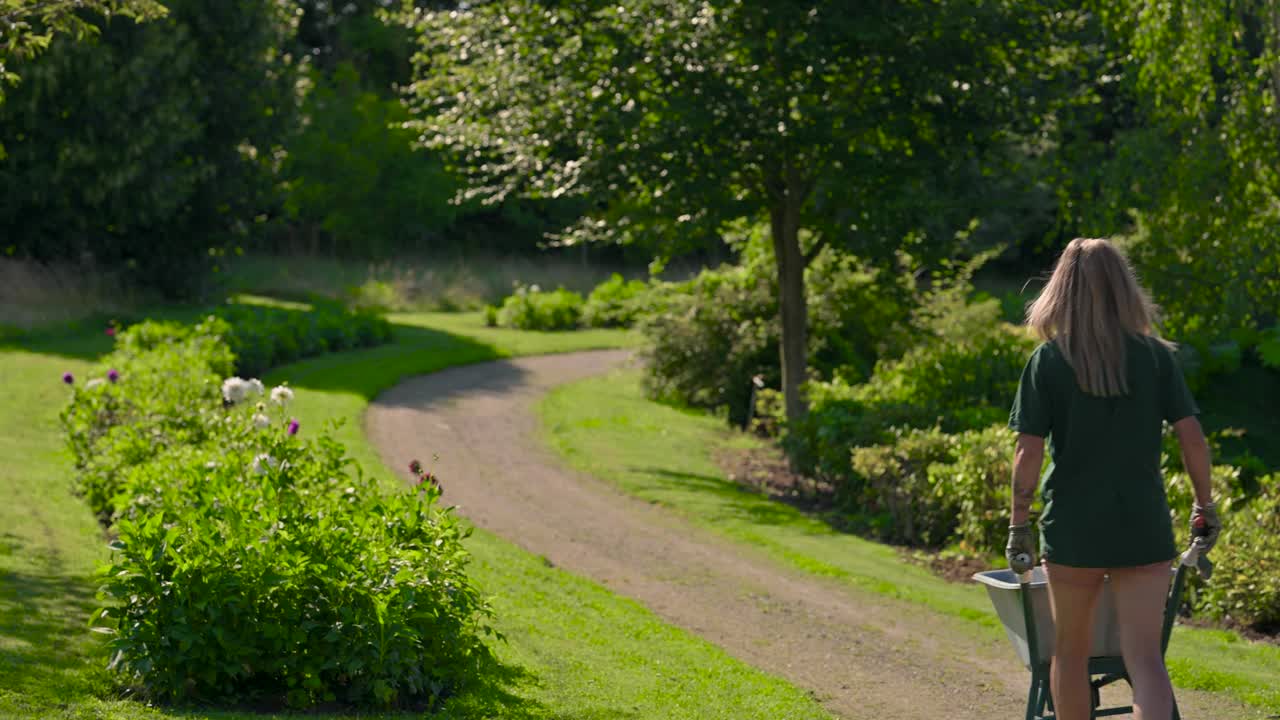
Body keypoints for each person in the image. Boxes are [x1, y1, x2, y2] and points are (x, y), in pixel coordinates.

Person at [1004, 238, 1222, 720]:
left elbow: (1028, 451)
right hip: (1141, 523)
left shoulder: (1049, 361)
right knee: (1145, 658)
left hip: (1074, 527)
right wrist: (1204, 506)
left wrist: (1019, 523)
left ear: (1062, 290)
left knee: (1070, 653)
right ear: (1125, 288)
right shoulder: (1156, 359)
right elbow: (1193, 439)